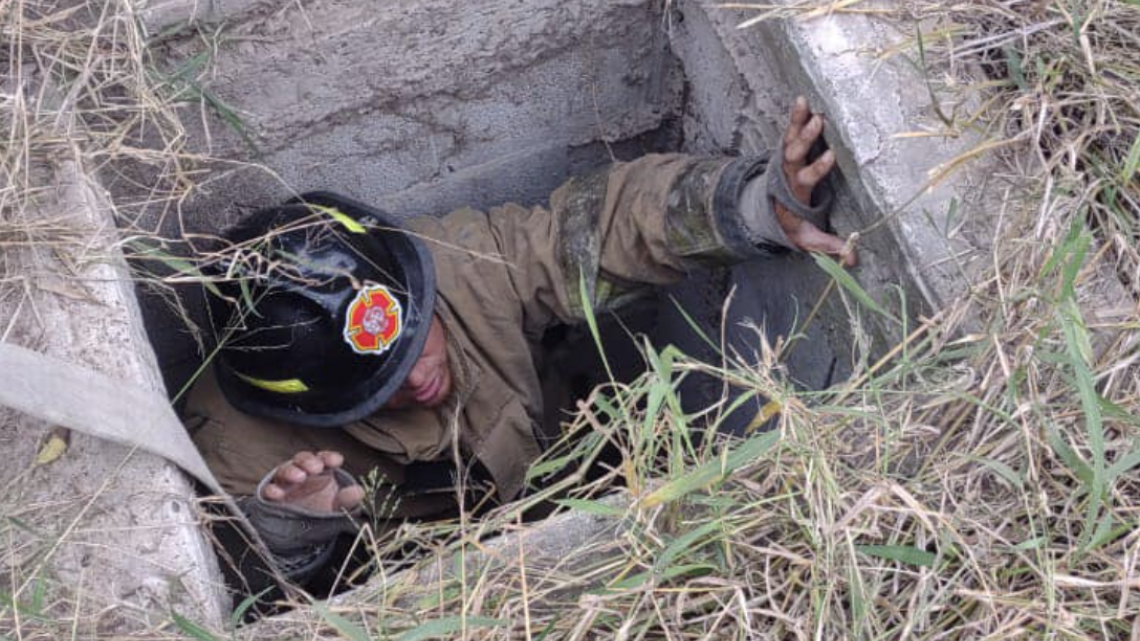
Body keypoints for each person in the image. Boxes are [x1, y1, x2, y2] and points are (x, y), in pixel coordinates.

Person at [181, 97, 856, 583]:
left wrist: (751, 206)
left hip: (559, 482)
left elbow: (598, 228)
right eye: (379, 386)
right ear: (312, 407)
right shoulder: (241, 450)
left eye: (416, 335)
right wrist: (288, 530)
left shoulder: (461, 265)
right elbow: (241, 586)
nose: (417, 375)